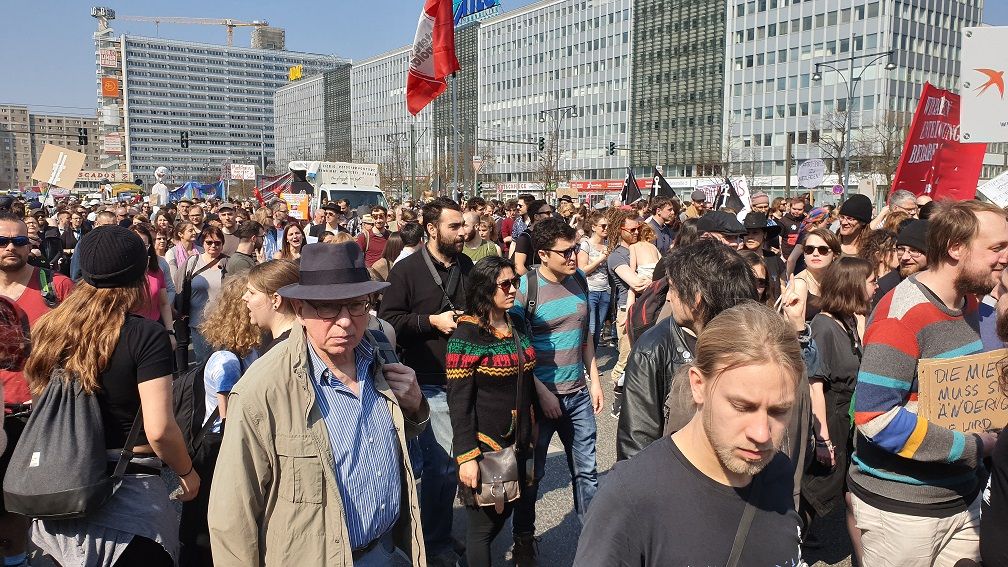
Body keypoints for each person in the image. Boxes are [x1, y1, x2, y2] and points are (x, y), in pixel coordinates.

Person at [208, 242, 430, 566]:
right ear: (299, 309)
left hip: (387, 550)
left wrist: (415, 407)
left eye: (356, 305)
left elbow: (394, 440)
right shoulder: (261, 390)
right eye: (328, 308)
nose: (345, 322)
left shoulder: (380, 355)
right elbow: (232, 515)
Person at [575, 302, 805, 566]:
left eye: (779, 411)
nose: (762, 434)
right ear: (698, 385)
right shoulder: (629, 498)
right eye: (742, 407)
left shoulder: (777, 473)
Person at [28, 225, 197, 567]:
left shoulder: (48, 328)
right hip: (129, 497)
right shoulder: (145, 336)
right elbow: (160, 428)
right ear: (139, 276)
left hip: (58, 489)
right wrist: (187, 472)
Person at [850, 199, 1008, 566]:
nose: (1004, 258)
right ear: (955, 248)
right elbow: (874, 418)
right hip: (903, 514)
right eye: (996, 247)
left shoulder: (972, 305)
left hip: (962, 501)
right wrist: (973, 446)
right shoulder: (901, 314)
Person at [379, 198, 471, 566]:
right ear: (432, 229)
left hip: (466, 376)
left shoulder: (467, 265)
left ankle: (436, 531)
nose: (464, 232)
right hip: (427, 380)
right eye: (455, 226)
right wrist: (432, 322)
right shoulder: (406, 270)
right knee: (443, 465)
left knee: (450, 463)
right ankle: (434, 543)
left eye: (463, 225)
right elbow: (389, 321)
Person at [509, 217, 605, 564]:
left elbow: (586, 336)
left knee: (586, 471)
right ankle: (523, 538)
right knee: (532, 475)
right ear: (543, 254)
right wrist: (542, 392)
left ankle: (594, 544)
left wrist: (594, 378)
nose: (574, 257)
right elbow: (517, 348)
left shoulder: (578, 278)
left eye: (575, 248)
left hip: (577, 394)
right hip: (540, 399)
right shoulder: (525, 288)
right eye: (565, 252)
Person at [446, 256, 537, 567]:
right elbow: (458, 403)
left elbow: (526, 374)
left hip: (521, 441)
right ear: (485, 290)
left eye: (516, 282)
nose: (513, 289)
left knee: (507, 510)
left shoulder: (518, 322)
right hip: (486, 446)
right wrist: (467, 456)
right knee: (483, 526)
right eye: (505, 284)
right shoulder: (466, 336)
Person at [0, 212, 74, 567]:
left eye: (18, 241)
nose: (11, 247)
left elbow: (79, 349)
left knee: (30, 503)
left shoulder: (56, 286)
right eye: (2, 241)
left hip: (39, 415)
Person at [181, 272, 261, 567]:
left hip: (216, 443)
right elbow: (228, 418)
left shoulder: (246, 352)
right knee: (207, 520)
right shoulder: (228, 361)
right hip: (217, 447)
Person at [801, 256, 876, 556]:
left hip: (845, 421)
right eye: (871, 282)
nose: (876, 287)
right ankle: (788, 545)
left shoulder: (847, 322)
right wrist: (823, 441)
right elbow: (814, 386)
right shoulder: (822, 326)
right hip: (829, 419)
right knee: (814, 493)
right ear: (854, 286)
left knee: (848, 495)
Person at [607, 210, 651, 413]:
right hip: (627, 309)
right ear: (620, 230)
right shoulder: (616, 256)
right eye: (632, 229)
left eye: (638, 228)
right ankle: (616, 397)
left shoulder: (641, 248)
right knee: (625, 357)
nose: (636, 232)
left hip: (646, 308)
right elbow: (637, 283)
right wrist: (654, 278)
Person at [180, 226, 230, 362]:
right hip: (198, 324)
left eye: (217, 242)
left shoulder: (228, 263)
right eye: (209, 242)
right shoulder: (192, 262)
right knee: (202, 363)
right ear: (202, 243)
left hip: (223, 323)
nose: (213, 245)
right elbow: (180, 287)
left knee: (223, 363)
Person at [243, 259, 299, 354]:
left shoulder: (281, 354)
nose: (244, 297)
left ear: (276, 300)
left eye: (252, 293)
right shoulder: (302, 338)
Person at [130, 223, 175, 332]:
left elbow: (164, 304)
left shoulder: (156, 269)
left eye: (144, 245)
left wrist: (170, 332)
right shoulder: (119, 271)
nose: (140, 249)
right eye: (137, 244)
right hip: (130, 329)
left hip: (154, 326)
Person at [873, 219, 928, 305]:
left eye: (914, 251)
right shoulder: (885, 288)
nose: (904, 257)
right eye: (901, 249)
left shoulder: (945, 284)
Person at [791, 228, 842, 321]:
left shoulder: (838, 280)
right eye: (809, 249)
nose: (815, 254)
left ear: (835, 255)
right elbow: (795, 329)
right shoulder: (799, 284)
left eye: (823, 250)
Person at [577, 210, 610, 350]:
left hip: (605, 290)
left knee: (599, 328)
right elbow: (582, 270)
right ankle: (586, 364)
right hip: (590, 290)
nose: (606, 229)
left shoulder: (608, 245)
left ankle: (593, 363)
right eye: (603, 226)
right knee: (590, 328)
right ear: (593, 227)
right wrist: (600, 259)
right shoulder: (586, 245)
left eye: (607, 226)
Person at [742, 211, 784, 305]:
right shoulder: (737, 259)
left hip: (772, 311)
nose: (750, 237)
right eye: (746, 233)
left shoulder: (774, 259)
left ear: (764, 234)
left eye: (755, 233)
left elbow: (782, 286)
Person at [513, 200, 553, 275]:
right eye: (548, 213)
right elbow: (519, 267)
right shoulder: (524, 238)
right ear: (536, 216)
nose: (551, 216)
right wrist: (535, 281)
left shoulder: (549, 235)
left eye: (551, 212)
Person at [168, 220, 202, 286]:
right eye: (190, 231)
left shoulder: (201, 250)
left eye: (194, 230)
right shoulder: (172, 253)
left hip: (199, 286)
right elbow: (173, 276)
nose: (194, 233)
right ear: (180, 234)